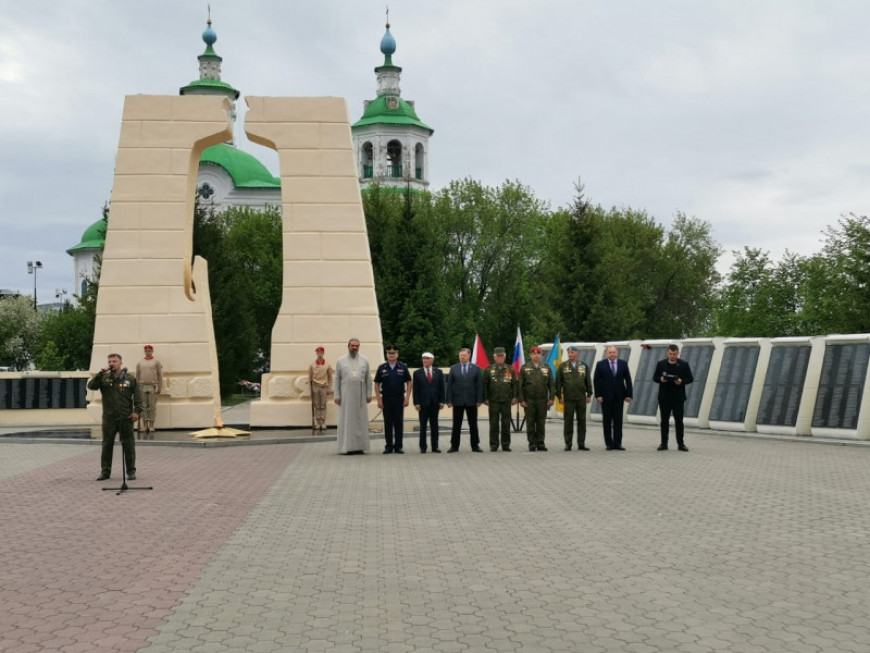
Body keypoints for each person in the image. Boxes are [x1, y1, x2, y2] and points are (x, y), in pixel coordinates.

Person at [88, 353, 142, 481]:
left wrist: (137, 412)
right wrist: (100, 374)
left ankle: (131, 471)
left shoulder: (129, 379)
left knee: (128, 445)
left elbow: (138, 398)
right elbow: (91, 386)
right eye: (110, 361)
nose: (112, 363)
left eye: (114, 361)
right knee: (107, 445)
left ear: (120, 363)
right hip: (109, 418)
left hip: (126, 418)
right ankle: (105, 472)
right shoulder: (104, 378)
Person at [334, 338, 373, 455]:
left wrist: (369, 394)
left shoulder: (364, 360)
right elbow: (337, 379)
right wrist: (337, 395)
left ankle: (360, 446)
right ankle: (347, 447)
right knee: (347, 421)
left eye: (357, 346)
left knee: (360, 421)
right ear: (348, 346)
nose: (354, 347)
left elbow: (368, 379)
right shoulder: (341, 360)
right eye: (352, 345)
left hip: (360, 396)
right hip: (346, 396)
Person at [653, 344, 694, 452]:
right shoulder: (661, 364)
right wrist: (661, 379)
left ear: (678, 353)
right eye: (670, 354)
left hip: (678, 397)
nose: (672, 356)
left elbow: (690, 378)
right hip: (664, 397)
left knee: (679, 421)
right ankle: (663, 443)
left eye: (674, 354)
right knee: (664, 421)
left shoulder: (683, 364)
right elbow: (655, 377)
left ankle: (681, 444)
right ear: (667, 353)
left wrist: (681, 381)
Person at [593, 345, 633, 450]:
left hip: (619, 397)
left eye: (614, 352)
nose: (612, 354)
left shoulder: (623, 364)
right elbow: (596, 381)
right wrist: (598, 395)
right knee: (607, 421)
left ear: (617, 353)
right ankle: (609, 444)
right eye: (610, 352)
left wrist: (629, 394)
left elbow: (628, 380)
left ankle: (617, 443)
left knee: (618, 421)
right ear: (607, 353)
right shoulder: (601, 364)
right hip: (605, 397)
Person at [374, 345, 412, 454]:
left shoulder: (403, 367)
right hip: (386, 398)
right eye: (389, 353)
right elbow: (377, 384)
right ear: (386, 355)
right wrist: (379, 399)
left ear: (397, 354)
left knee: (398, 422)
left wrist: (407, 398)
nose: (391, 355)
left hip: (399, 398)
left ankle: (398, 446)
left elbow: (409, 382)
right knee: (388, 422)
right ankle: (389, 446)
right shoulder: (382, 368)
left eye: (393, 353)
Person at [445, 347, 484, 452]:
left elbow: (480, 385)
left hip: (472, 400)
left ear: (469, 355)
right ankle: (454, 446)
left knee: (473, 424)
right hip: (457, 400)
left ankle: (475, 446)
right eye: (460, 355)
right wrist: (449, 400)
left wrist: (480, 399)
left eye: (464, 355)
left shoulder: (476, 368)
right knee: (456, 424)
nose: (462, 357)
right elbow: (449, 386)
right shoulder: (454, 368)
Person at [555, 345, 593, 451]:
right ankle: (568, 443)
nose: (570, 354)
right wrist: (559, 396)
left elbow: (588, 381)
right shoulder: (562, 366)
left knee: (582, 421)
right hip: (568, 398)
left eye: (573, 352)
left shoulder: (584, 366)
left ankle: (581, 443)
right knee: (568, 421)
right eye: (569, 353)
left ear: (577, 353)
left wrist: (589, 394)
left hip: (581, 398)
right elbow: (558, 383)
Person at [519, 346, 555, 451]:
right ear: (530, 355)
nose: (536, 355)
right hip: (529, 400)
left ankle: (540, 443)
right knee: (530, 422)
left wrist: (551, 398)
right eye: (533, 354)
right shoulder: (524, 368)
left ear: (541, 355)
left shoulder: (546, 368)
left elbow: (551, 384)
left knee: (541, 422)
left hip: (542, 400)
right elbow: (520, 385)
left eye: (538, 354)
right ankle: (531, 443)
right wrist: (522, 399)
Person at [483, 346, 517, 452]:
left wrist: (515, 397)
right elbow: (485, 385)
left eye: (502, 356)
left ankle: (506, 444)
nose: (500, 358)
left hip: (506, 401)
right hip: (493, 401)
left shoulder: (510, 369)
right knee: (494, 424)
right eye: (498, 356)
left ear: (505, 357)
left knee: (506, 423)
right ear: (494, 357)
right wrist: (485, 398)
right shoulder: (489, 370)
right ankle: (494, 444)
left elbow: (514, 385)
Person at [412, 352, 445, 453]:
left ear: (432, 360)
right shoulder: (417, 373)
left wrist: (442, 401)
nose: (425, 361)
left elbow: (442, 388)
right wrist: (416, 403)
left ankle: (435, 446)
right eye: (424, 359)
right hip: (422, 404)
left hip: (434, 403)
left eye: (427, 359)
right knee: (423, 426)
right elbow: (415, 390)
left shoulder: (438, 372)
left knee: (434, 426)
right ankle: (423, 447)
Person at [135, 344, 162, 440]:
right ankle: (144, 425)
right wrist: (136, 388)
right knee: (143, 406)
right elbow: (137, 376)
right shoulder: (139, 362)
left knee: (152, 406)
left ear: (152, 351)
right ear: (144, 351)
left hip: (152, 386)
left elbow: (160, 374)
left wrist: (160, 386)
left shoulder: (156, 362)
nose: (148, 352)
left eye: (149, 350)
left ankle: (151, 425)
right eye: (146, 350)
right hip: (142, 386)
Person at [308, 346, 334, 432]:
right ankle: (317, 422)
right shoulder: (312, 365)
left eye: (321, 352)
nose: (319, 354)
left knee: (323, 405)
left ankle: (323, 422)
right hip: (315, 386)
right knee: (316, 405)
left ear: (323, 353)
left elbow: (330, 377)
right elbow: (310, 378)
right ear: (316, 353)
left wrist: (330, 388)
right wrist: (310, 389)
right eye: (318, 352)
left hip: (323, 386)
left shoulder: (327, 364)